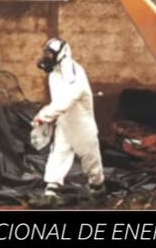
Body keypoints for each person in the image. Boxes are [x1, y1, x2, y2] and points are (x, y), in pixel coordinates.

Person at [28, 37, 107, 208]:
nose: (45, 57)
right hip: (65, 122)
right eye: (45, 53)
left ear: (61, 55)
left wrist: (44, 115)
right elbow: (59, 101)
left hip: (81, 125)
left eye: (49, 54)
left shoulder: (76, 74)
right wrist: (50, 118)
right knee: (57, 155)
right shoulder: (55, 74)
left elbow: (66, 101)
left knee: (90, 159)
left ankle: (98, 192)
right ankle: (51, 194)